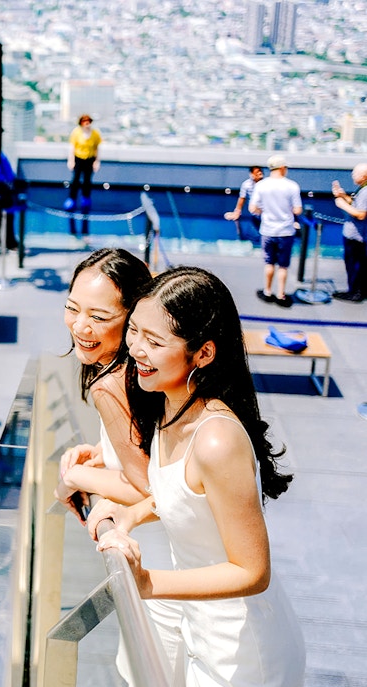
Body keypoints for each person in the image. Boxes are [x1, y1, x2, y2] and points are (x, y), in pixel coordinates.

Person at [88, 266, 305, 687]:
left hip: (243, 655)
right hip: (202, 634)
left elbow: (252, 571)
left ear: (203, 353)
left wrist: (147, 583)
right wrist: (129, 514)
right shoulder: (171, 405)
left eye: (155, 342)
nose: (136, 349)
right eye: (134, 332)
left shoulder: (216, 439)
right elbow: (183, 493)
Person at [52, 248, 186, 685]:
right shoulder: (144, 370)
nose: (80, 327)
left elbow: (154, 488)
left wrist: (74, 476)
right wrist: (100, 449)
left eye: (98, 316)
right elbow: (152, 447)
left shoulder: (112, 384)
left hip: (163, 561)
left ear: (132, 317)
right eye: (72, 308)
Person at [249, 155, 301, 307]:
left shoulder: (261, 185)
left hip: (267, 230)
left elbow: (253, 208)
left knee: (269, 263)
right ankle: (281, 294)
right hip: (286, 231)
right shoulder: (292, 186)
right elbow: (297, 210)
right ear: (283, 168)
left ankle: (267, 291)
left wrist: (264, 210)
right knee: (283, 266)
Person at [331, 162, 367, 302]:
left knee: (354, 265)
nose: (352, 175)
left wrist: (342, 204)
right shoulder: (362, 189)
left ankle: (354, 292)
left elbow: (361, 214)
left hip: (357, 236)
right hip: (356, 235)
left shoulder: (365, 192)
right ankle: (359, 290)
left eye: (356, 173)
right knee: (358, 264)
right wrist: (344, 196)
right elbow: (357, 204)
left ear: (364, 176)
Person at [66, 114, 102, 235]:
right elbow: (72, 147)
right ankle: (72, 198)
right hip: (78, 158)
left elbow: (97, 148)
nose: (86, 124)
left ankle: (85, 198)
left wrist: (97, 161)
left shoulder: (95, 134)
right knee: (75, 180)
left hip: (89, 159)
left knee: (87, 181)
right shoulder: (76, 133)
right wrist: (71, 160)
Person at [223, 165, 264, 240]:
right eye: (257, 172)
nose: (260, 173)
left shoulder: (267, 183)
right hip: (255, 212)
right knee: (256, 231)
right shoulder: (247, 184)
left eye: (261, 171)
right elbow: (242, 198)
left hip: (266, 211)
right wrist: (237, 211)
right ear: (252, 174)